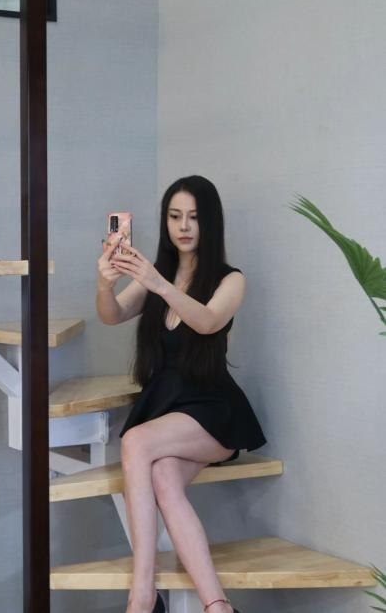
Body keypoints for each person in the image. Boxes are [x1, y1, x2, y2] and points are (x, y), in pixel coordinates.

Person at [96, 175, 266, 613]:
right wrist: (105, 284)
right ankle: (218, 605)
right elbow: (112, 315)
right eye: (175, 217)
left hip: (215, 411)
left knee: (136, 441)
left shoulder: (230, 279)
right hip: (169, 408)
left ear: (211, 222)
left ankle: (142, 593)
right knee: (164, 479)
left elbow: (207, 321)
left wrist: (157, 283)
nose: (184, 226)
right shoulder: (159, 275)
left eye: (194, 217)